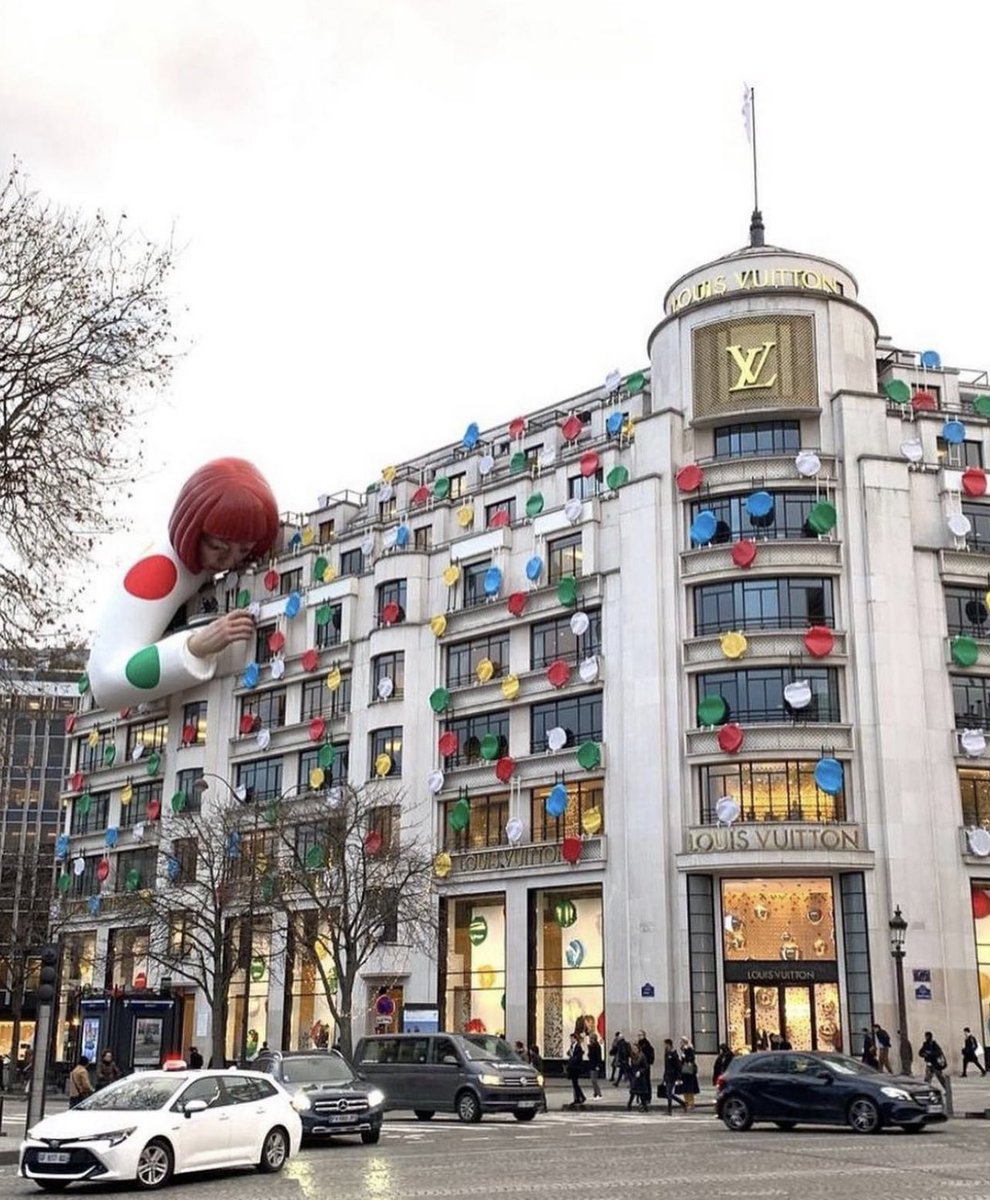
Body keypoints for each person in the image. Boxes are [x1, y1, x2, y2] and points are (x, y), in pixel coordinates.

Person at [87, 458, 280, 710]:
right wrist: (195, 646)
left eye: (243, 551)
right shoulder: (159, 571)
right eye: (218, 548)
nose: (231, 561)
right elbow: (104, 682)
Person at [661, 1038, 685, 1114]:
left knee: (669, 1093)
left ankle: (669, 1110)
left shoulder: (674, 1054)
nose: (664, 1046)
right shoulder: (666, 1054)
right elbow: (666, 1066)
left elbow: (678, 1066)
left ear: (668, 1045)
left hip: (672, 1076)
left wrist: (678, 1077)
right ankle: (682, 1103)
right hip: (668, 1075)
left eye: (665, 1044)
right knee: (669, 1093)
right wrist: (664, 1077)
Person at [565, 1032, 586, 1107]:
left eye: (571, 1038)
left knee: (575, 1083)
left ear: (575, 1039)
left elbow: (578, 1057)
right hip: (572, 1067)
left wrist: (572, 1057)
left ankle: (580, 1098)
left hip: (576, 1067)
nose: (570, 1040)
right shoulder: (572, 1046)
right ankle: (579, 1097)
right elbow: (570, 1053)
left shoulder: (578, 1047)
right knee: (575, 1084)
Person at [678, 1037, 700, 1111]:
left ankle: (691, 1103)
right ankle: (687, 1102)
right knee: (685, 1088)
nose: (680, 1043)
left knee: (689, 1088)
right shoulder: (683, 1050)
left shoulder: (689, 1049)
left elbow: (691, 1059)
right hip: (684, 1072)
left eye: (681, 1041)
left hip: (689, 1072)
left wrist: (686, 1058)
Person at [627, 1047, 651, 1111]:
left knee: (641, 1093)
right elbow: (631, 1067)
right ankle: (629, 1105)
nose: (634, 1050)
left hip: (640, 1077)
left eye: (635, 1049)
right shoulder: (632, 1056)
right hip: (634, 1076)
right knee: (633, 1092)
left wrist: (640, 1071)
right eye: (633, 1049)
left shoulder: (642, 1056)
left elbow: (646, 1067)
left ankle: (645, 1106)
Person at [586, 1032, 603, 1098]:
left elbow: (598, 1056)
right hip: (592, 1064)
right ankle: (595, 1093)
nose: (590, 1040)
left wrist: (598, 1065)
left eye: (591, 1038)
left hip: (595, 1065)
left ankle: (598, 1093)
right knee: (593, 1080)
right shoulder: (591, 1046)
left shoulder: (596, 1046)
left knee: (594, 1080)